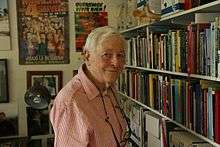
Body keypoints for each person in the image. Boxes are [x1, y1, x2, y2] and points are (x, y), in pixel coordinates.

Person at [50, 26, 130, 147]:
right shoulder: (71, 103)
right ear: (87, 57)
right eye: (107, 55)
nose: (116, 63)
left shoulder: (110, 87)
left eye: (120, 55)